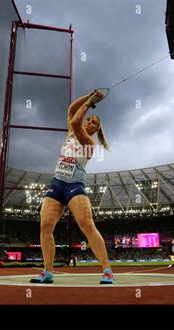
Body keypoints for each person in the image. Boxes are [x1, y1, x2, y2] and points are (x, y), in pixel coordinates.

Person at [31, 90, 114, 284]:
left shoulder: (88, 141)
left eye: (93, 123)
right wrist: (89, 96)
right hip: (57, 183)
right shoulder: (70, 132)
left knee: (87, 225)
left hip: (75, 185)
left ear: (95, 130)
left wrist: (90, 104)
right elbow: (71, 110)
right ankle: (48, 272)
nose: (89, 122)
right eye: (89, 120)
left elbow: (76, 121)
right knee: (45, 225)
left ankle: (107, 270)